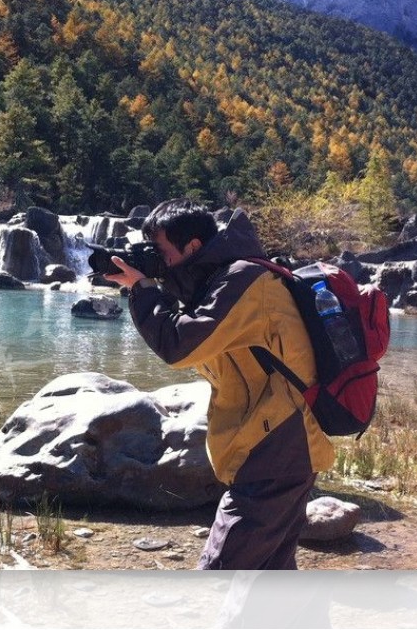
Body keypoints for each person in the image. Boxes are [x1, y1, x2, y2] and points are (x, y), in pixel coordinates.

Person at [105, 198, 334, 570]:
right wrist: (143, 284)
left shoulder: (245, 280)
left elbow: (180, 346)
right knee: (271, 577)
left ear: (193, 247)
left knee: (219, 573)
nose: (157, 262)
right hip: (273, 441)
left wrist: (144, 289)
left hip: (277, 442)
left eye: (160, 252)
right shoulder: (218, 281)